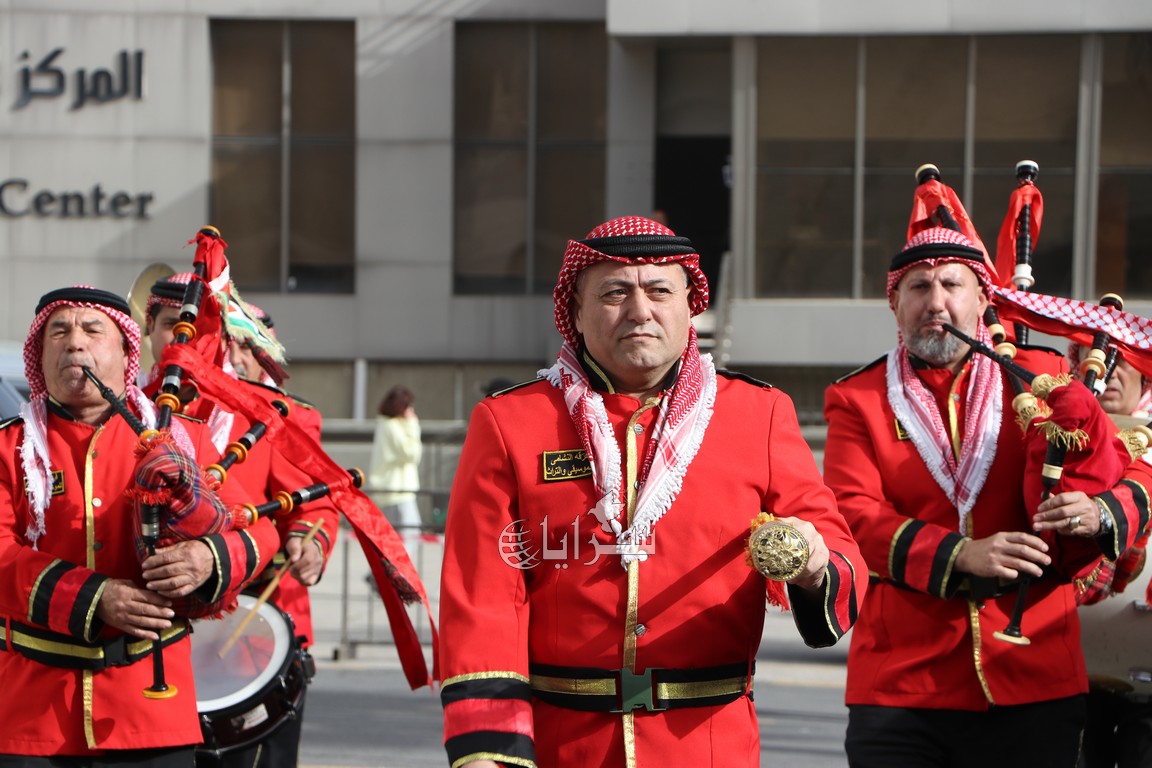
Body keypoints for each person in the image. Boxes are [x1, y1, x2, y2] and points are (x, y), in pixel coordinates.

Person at [438, 215, 867, 767]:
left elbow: (840, 553)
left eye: (659, 291)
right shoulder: (510, 422)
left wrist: (813, 566)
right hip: (561, 748)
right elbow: (482, 596)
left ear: (691, 306)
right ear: (575, 311)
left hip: (710, 748)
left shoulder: (759, 413)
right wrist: (486, 750)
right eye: (615, 293)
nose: (640, 310)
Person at [823, 227, 1152, 766]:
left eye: (952, 285)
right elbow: (851, 516)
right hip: (901, 685)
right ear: (895, 304)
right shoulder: (857, 397)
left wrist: (1099, 511)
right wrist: (960, 554)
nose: (936, 302)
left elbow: (1136, 466)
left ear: (981, 299)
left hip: (1036, 677)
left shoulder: (1044, 375)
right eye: (918, 287)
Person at [0, 286, 282, 764]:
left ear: (127, 353)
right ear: (39, 354)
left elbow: (260, 531)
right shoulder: (9, 448)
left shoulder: (182, 439)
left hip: (152, 712)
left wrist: (205, 558)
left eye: (93, 330)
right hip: (29, 715)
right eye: (58, 332)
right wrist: (95, 598)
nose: (75, 342)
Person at [145, 274, 339, 768]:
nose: (184, 336)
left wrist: (308, 542)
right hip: (153, 630)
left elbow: (311, 503)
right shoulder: (129, 407)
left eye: (200, 326)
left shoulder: (269, 412)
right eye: (171, 324)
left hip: (253, 622)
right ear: (148, 332)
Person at [1070, 343, 1152, 768]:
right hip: (1070, 675)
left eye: (1125, 361)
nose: (1110, 372)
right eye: (1101, 359)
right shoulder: (1054, 440)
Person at [368, 385, 422, 551]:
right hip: (397, 491)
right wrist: (413, 425)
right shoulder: (392, 427)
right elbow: (412, 453)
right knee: (408, 536)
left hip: (392, 490)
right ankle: (397, 567)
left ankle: (389, 566)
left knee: (396, 539)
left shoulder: (386, 425)